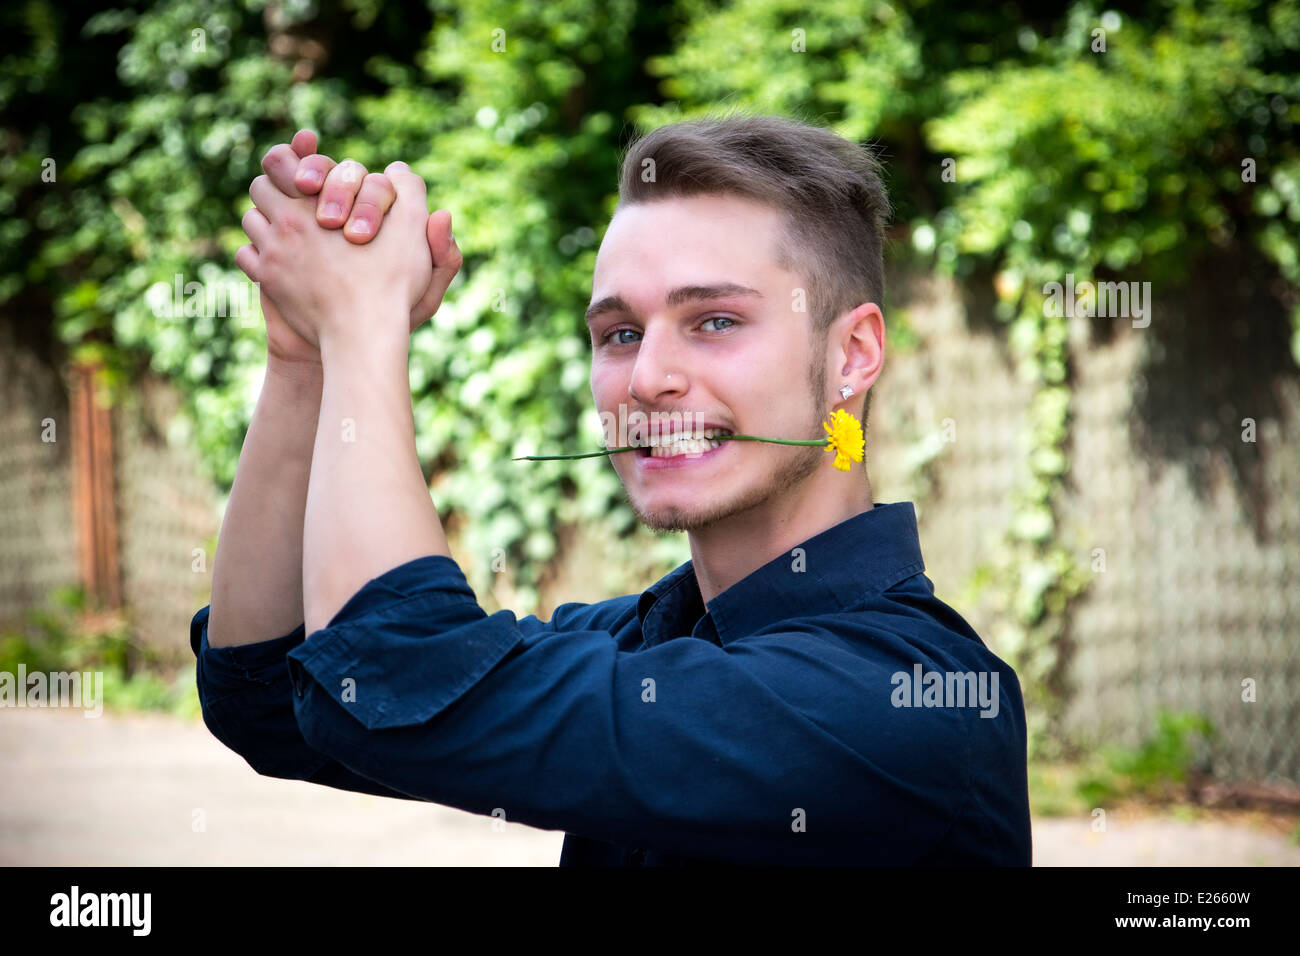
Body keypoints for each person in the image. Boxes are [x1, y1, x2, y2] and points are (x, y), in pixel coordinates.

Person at [195, 111, 1032, 865]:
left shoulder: (908, 702)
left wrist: (363, 322)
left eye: (715, 321)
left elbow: (391, 671)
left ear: (852, 355)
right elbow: (270, 694)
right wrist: (304, 355)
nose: (650, 378)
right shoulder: (650, 645)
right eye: (620, 333)